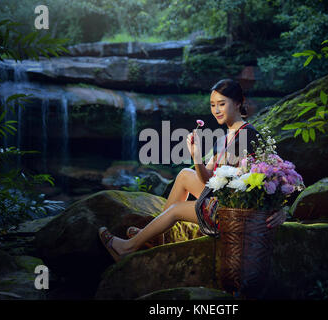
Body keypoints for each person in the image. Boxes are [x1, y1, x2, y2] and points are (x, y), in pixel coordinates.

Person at [99, 79, 287, 262]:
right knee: (184, 175)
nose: (216, 110)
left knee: (175, 210)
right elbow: (208, 178)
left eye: (222, 104)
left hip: (232, 212)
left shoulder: (247, 136)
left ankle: (127, 248)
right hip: (222, 197)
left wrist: (279, 210)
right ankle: (154, 237)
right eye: (213, 105)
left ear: (239, 103)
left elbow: (268, 179)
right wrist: (196, 156)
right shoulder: (225, 138)